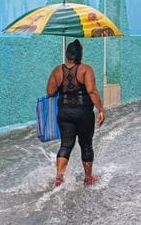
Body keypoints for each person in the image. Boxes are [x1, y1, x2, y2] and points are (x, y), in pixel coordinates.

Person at [47, 39, 105, 186]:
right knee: (86, 144)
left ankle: (59, 177)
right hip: (83, 113)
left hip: (64, 113)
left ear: (67, 54)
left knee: (66, 145)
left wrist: (64, 88)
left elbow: (50, 92)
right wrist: (101, 109)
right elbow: (91, 91)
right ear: (80, 54)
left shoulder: (57, 71)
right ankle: (88, 178)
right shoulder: (85, 69)